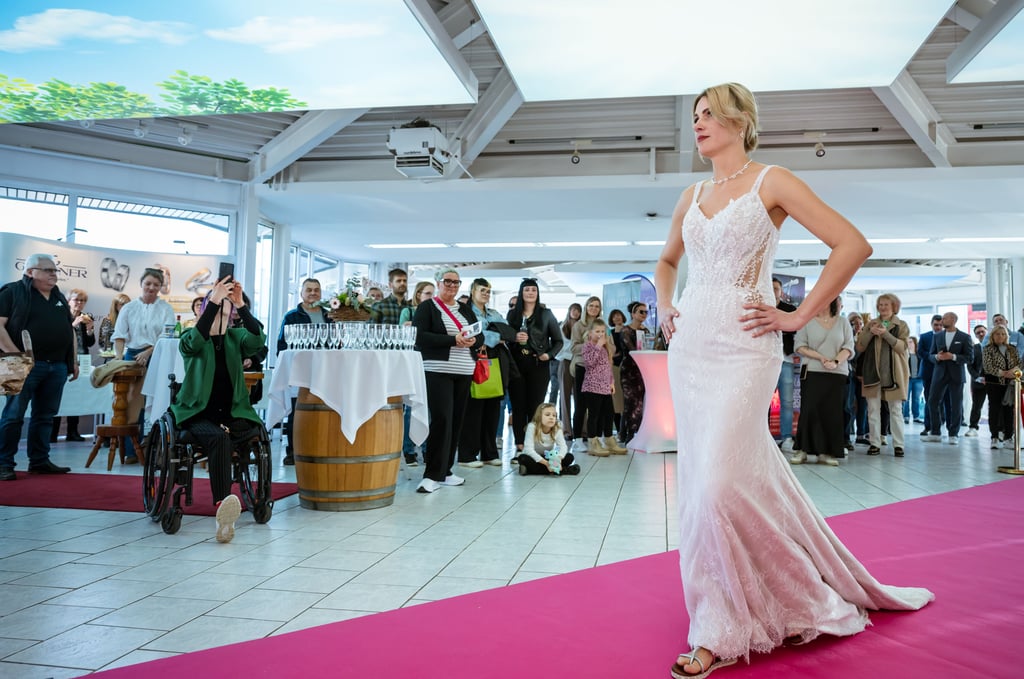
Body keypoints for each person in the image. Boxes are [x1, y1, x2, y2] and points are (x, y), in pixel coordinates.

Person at [654, 83, 932, 676]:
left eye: (709, 114)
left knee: (720, 484)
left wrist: (798, 315)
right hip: (691, 348)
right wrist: (664, 302)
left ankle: (800, 594)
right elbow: (668, 260)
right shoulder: (691, 194)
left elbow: (852, 244)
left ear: (740, 121)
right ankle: (714, 624)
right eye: (696, 115)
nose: (698, 123)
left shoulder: (771, 181)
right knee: (702, 485)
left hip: (746, 345)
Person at [171, 276, 266, 543]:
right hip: (197, 413)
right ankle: (224, 506)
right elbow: (194, 341)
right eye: (214, 310)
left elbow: (258, 339)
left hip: (233, 413)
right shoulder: (191, 338)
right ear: (205, 312)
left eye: (225, 312)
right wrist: (213, 300)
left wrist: (241, 305)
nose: (219, 315)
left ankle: (228, 506)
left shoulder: (236, 338)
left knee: (246, 430)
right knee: (219, 438)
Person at [0, 254, 80, 481]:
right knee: (13, 415)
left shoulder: (58, 296)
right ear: (30, 272)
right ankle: (3, 463)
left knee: (45, 416)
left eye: (55, 270)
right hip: (20, 364)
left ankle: (39, 461)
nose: (53, 274)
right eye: (47, 270)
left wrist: (73, 360)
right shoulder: (12, 292)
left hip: (57, 365)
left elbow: (69, 330)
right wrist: (17, 357)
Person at [412, 268, 483, 493]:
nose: (452, 286)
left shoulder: (465, 309)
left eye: (456, 282)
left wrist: (473, 340)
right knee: (442, 420)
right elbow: (420, 336)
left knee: (455, 421)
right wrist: (453, 340)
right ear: (438, 283)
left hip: (464, 371)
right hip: (437, 370)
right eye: (448, 281)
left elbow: (480, 334)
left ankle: (446, 471)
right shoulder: (427, 307)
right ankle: (432, 474)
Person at [112, 267, 175, 463]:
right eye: (148, 283)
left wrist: (148, 352)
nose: (151, 288)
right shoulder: (129, 308)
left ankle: (159, 450)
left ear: (161, 287)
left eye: (156, 284)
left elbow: (167, 335)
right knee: (133, 404)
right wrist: (120, 358)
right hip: (132, 356)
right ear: (141, 284)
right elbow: (119, 336)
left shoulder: (166, 308)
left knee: (161, 400)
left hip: (159, 355)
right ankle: (132, 451)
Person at [457, 278, 515, 468]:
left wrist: (488, 336)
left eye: (488, 291)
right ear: (472, 291)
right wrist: (493, 336)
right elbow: (470, 334)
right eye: (482, 290)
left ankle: (489, 453)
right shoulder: (464, 312)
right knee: (473, 410)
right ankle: (467, 455)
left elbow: (508, 333)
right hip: (472, 361)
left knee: (492, 409)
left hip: (495, 362)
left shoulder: (494, 313)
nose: (486, 294)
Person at [790, 296, 854, 466]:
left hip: (837, 372)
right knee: (809, 410)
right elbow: (799, 346)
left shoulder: (843, 322)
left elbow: (849, 347)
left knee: (832, 413)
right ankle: (802, 450)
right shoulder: (807, 321)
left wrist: (835, 362)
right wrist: (821, 358)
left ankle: (826, 452)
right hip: (812, 371)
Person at [275, 278, 331, 465]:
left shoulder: (330, 316)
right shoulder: (292, 317)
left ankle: (321, 448)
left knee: (325, 411)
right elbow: (282, 346)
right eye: (309, 290)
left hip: (325, 372)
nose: (313, 293)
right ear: (301, 293)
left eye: (316, 290)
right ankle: (293, 451)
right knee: (297, 413)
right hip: (300, 373)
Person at [506, 278, 563, 453]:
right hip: (516, 365)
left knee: (535, 406)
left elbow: (558, 341)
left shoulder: (546, 314)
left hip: (538, 365)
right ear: (521, 292)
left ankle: (531, 443)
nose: (530, 293)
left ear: (537, 293)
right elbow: (506, 340)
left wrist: (548, 355)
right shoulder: (513, 315)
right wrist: (515, 338)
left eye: (533, 290)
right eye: (527, 290)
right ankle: (520, 444)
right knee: (518, 406)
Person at [854, 293, 910, 457]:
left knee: (896, 410)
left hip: (893, 374)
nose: (883, 307)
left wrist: (885, 333)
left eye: (886, 304)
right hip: (872, 373)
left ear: (894, 306)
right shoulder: (871, 323)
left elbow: (902, 347)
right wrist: (870, 332)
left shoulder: (901, 325)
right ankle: (874, 443)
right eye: (880, 304)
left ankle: (899, 445)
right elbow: (860, 347)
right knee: (872, 410)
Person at [52, 288, 95, 442]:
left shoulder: (86, 318)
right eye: (76, 300)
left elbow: (90, 343)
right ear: (68, 301)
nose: (79, 303)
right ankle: (53, 432)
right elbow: (58, 336)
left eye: (82, 301)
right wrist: (74, 324)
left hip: (82, 359)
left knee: (76, 395)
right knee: (59, 395)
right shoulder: (61, 315)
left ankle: (73, 431)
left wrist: (90, 330)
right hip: (64, 359)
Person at [922, 312, 971, 444]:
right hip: (939, 374)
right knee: (932, 401)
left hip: (956, 374)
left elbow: (969, 358)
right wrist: (937, 357)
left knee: (956, 404)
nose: (942, 320)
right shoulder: (937, 336)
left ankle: (953, 434)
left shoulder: (965, 337)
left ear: (953, 320)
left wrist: (953, 356)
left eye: (945, 318)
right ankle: (935, 432)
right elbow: (931, 355)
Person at [580, 318, 625, 455]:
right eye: (597, 331)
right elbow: (589, 362)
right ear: (590, 333)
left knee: (609, 413)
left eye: (602, 332)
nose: (600, 334)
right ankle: (593, 443)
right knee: (594, 415)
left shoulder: (606, 349)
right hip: (592, 386)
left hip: (605, 387)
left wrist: (611, 382)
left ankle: (609, 440)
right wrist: (598, 346)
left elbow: (608, 366)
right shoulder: (587, 346)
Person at [568, 296, 604, 450]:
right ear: (586, 307)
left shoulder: (603, 325)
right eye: (591, 305)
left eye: (597, 306)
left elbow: (610, 345)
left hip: (599, 369)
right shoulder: (578, 326)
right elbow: (573, 348)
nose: (594, 308)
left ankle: (595, 437)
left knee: (598, 406)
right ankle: (577, 439)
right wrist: (592, 345)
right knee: (581, 404)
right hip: (582, 367)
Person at [982, 325, 1021, 449]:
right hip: (994, 383)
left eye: (1003, 334)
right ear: (993, 336)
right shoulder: (988, 349)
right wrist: (1003, 373)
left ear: (1006, 336)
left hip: (1010, 384)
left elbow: (1019, 364)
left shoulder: (1012, 349)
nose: (1000, 336)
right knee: (994, 409)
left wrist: (1012, 372)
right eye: (998, 334)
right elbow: (988, 366)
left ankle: (1008, 437)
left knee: (1009, 410)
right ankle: (994, 437)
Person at [617, 301, 650, 445]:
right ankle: (627, 433)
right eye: (641, 312)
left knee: (639, 401)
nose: (644, 314)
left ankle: (634, 432)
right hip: (629, 370)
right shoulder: (625, 330)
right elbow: (632, 350)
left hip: (641, 370)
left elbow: (648, 348)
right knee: (629, 401)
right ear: (633, 314)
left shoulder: (646, 331)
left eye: (646, 312)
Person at [516, 403, 580, 476]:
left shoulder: (557, 427)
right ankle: (564, 470)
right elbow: (528, 450)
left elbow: (563, 446)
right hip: (534, 457)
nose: (551, 417)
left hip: (548, 457)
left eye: (554, 415)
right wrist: (547, 464)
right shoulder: (532, 427)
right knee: (522, 458)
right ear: (539, 417)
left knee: (569, 457)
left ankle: (531, 470)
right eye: (547, 415)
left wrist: (558, 460)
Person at [772, 278, 798, 451]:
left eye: (776, 288)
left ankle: (787, 436)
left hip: (785, 360)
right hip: (764, 361)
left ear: (781, 291)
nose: (773, 291)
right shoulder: (759, 308)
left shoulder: (789, 310)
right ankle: (764, 437)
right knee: (761, 401)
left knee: (787, 401)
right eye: (770, 287)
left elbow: (795, 329)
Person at [555, 303, 582, 430]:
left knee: (580, 397)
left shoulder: (582, 327)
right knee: (564, 396)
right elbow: (558, 345)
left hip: (580, 362)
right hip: (565, 361)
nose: (575, 312)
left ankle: (581, 429)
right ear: (569, 311)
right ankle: (566, 429)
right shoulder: (562, 327)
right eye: (573, 310)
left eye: (578, 310)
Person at [965, 324, 987, 437]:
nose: (981, 334)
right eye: (978, 333)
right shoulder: (974, 348)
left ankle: (999, 431)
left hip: (993, 382)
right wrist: (977, 377)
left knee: (996, 406)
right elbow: (969, 366)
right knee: (976, 406)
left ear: (987, 332)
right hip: (978, 381)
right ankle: (973, 427)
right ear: (976, 336)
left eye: (982, 331)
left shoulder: (995, 347)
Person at [903, 336, 924, 425]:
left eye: (911, 342)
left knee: (916, 399)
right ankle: (906, 416)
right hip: (907, 380)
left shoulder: (919, 354)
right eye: (908, 342)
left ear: (915, 343)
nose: (909, 344)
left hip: (918, 380)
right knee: (906, 399)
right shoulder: (905, 354)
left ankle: (916, 417)